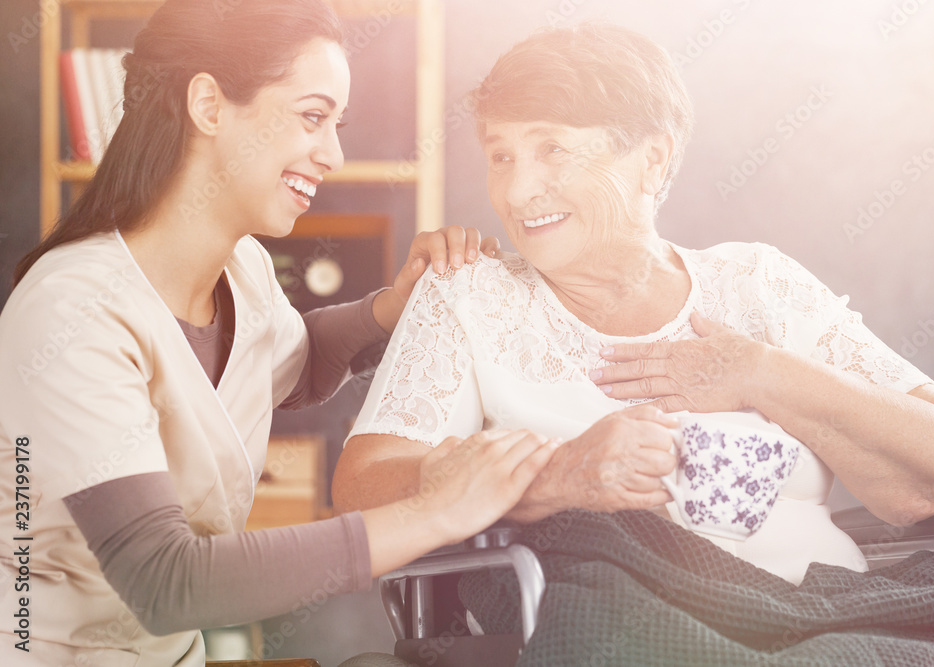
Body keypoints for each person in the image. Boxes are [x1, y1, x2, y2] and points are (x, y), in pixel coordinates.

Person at [0, 1, 557, 664]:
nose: (334, 153)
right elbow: (166, 581)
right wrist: (435, 511)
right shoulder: (73, 309)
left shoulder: (244, 272)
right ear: (207, 104)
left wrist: (397, 305)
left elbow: (299, 361)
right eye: (312, 116)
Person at [333, 22, 934, 585]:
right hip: (601, 625)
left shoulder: (760, 284)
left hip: (829, 613)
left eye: (551, 149)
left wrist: (763, 373)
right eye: (500, 155)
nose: (516, 189)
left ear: (652, 160)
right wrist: (556, 475)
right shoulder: (467, 294)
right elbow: (362, 495)